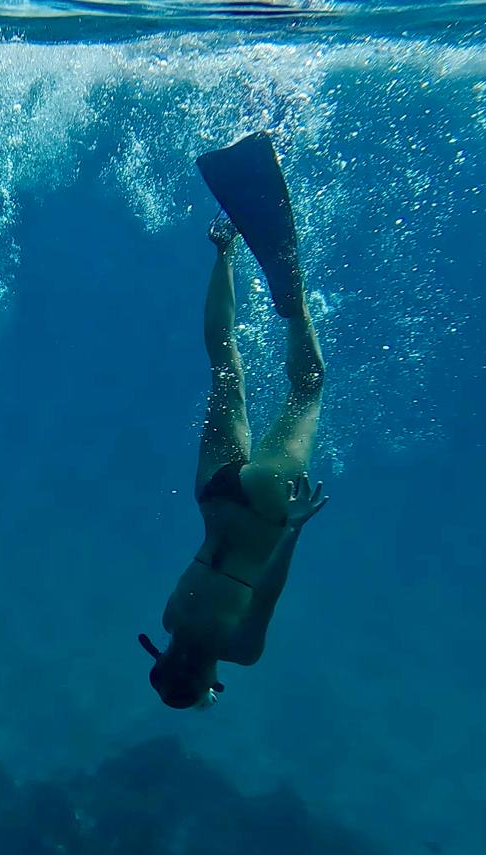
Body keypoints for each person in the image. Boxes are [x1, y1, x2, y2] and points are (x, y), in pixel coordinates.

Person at [140, 133, 330, 709]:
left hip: (266, 514)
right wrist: (189, 680)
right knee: (225, 363)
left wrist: (294, 528)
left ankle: (291, 299)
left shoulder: (241, 652)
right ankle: (223, 249)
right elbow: (186, 664)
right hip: (215, 497)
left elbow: (268, 589)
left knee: (308, 385)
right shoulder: (170, 619)